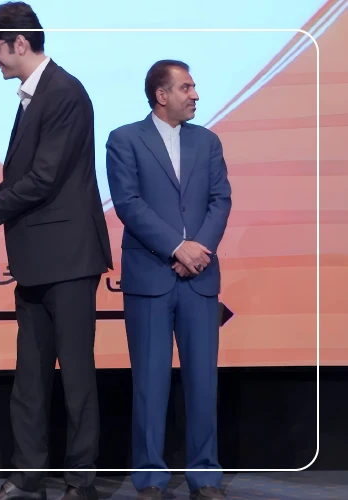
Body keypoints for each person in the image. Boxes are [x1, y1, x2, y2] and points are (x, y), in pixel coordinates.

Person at [0, 3, 113, 499]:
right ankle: (28, 476)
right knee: (29, 378)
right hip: (35, 258)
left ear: (20, 43)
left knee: (76, 379)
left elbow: (46, 178)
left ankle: (81, 480)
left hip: (69, 258)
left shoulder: (65, 92)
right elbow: (30, 175)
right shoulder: (35, 94)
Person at [105, 60, 232, 500]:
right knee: (150, 383)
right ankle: (150, 478)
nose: (195, 95)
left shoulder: (208, 141)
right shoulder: (124, 139)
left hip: (200, 279)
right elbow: (128, 203)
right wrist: (177, 248)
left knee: (203, 382)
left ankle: (206, 476)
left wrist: (198, 250)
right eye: (186, 87)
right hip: (149, 278)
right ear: (161, 95)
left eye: (194, 87)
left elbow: (220, 200)